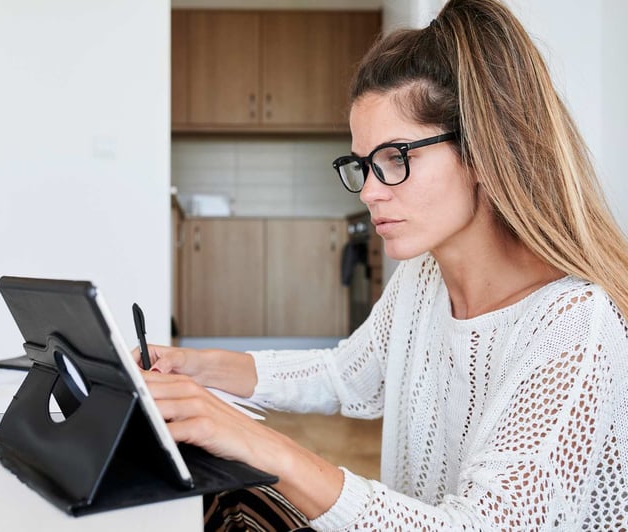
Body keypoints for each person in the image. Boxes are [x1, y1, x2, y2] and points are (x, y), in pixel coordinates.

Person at [139, 0, 628, 529]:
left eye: (396, 159)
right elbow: (348, 376)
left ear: (484, 153)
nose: (370, 191)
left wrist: (264, 447)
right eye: (362, 164)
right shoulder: (424, 279)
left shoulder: (576, 324)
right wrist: (194, 367)